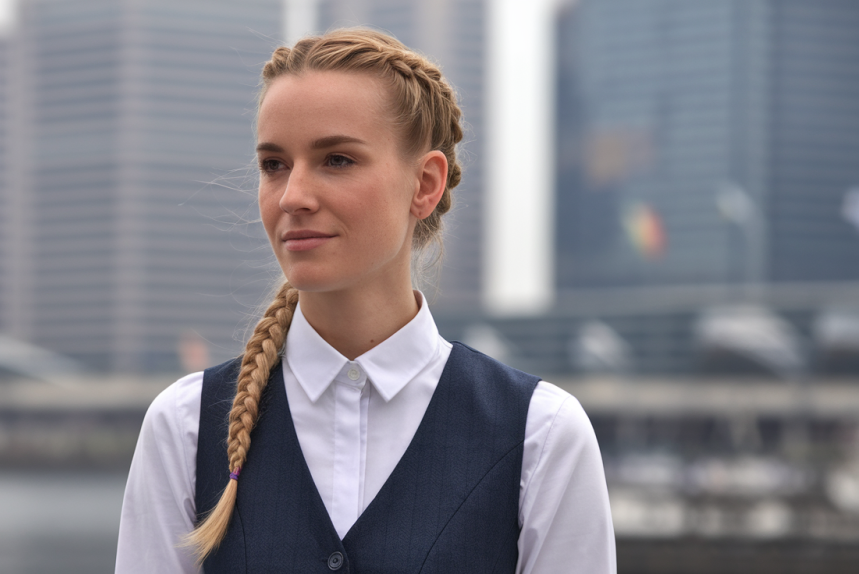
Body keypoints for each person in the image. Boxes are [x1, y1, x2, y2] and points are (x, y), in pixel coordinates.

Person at [116, 28, 616, 573]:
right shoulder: (184, 427)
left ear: (424, 184)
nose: (293, 196)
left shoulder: (542, 435)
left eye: (336, 160)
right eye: (273, 165)